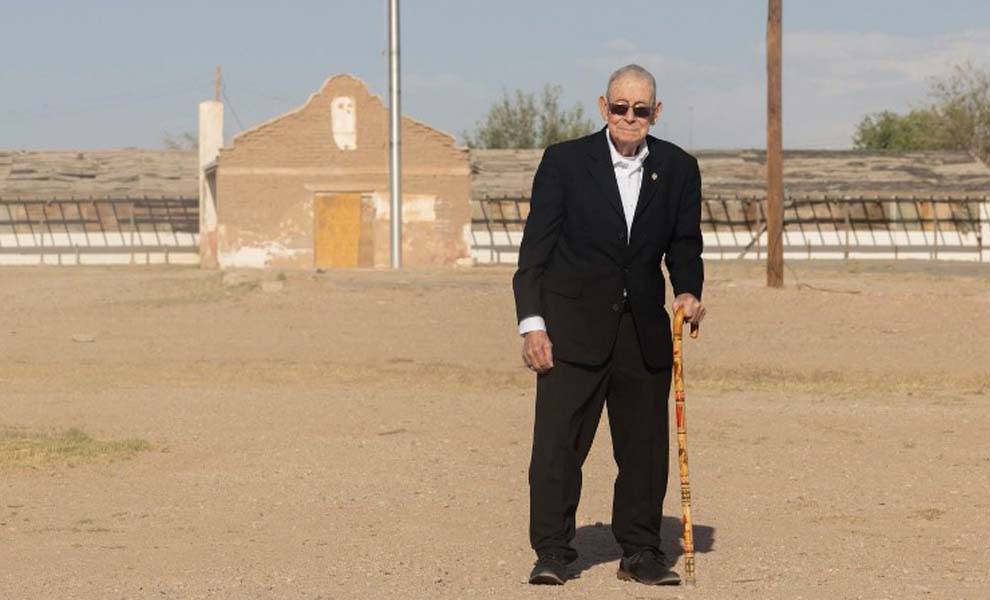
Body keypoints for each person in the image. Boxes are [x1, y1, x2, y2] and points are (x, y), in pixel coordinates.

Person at [512, 64, 706, 586]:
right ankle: (553, 550)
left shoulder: (680, 168)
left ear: (655, 113)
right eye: (620, 107)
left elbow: (684, 244)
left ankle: (641, 552)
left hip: (641, 331)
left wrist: (689, 290)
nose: (629, 117)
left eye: (640, 109)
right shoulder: (564, 162)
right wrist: (532, 324)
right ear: (604, 106)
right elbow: (536, 251)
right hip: (570, 328)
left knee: (643, 449)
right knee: (558, 446)